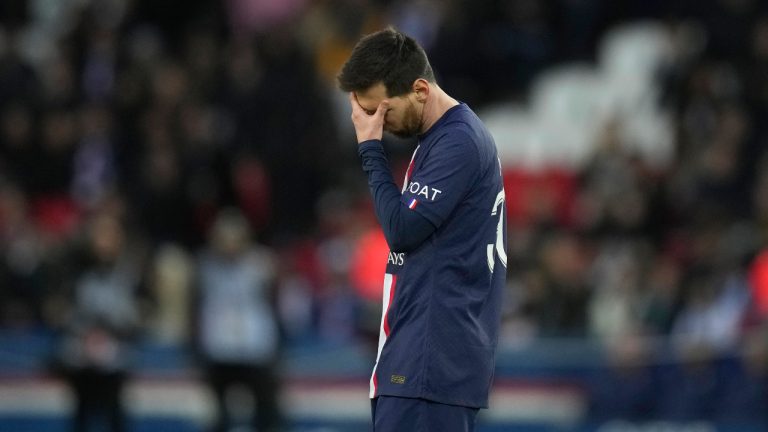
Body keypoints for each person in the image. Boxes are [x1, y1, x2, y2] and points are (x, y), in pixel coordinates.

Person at [338, 27, 508, 432]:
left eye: (383, 110)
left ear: (419, 89)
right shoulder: (444, 139)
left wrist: (370, 148)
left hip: (430, 361)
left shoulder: (458, 141)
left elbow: (402, 229)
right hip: (424, 361)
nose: (378, 123)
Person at [193, 207, 282, 432]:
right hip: (219, 346)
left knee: (266, 410)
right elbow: (196, 307)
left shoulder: (262, 264)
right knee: (219, 413)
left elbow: (275, 303)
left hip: (255, 346)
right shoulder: (205, 266)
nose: (230, 245)